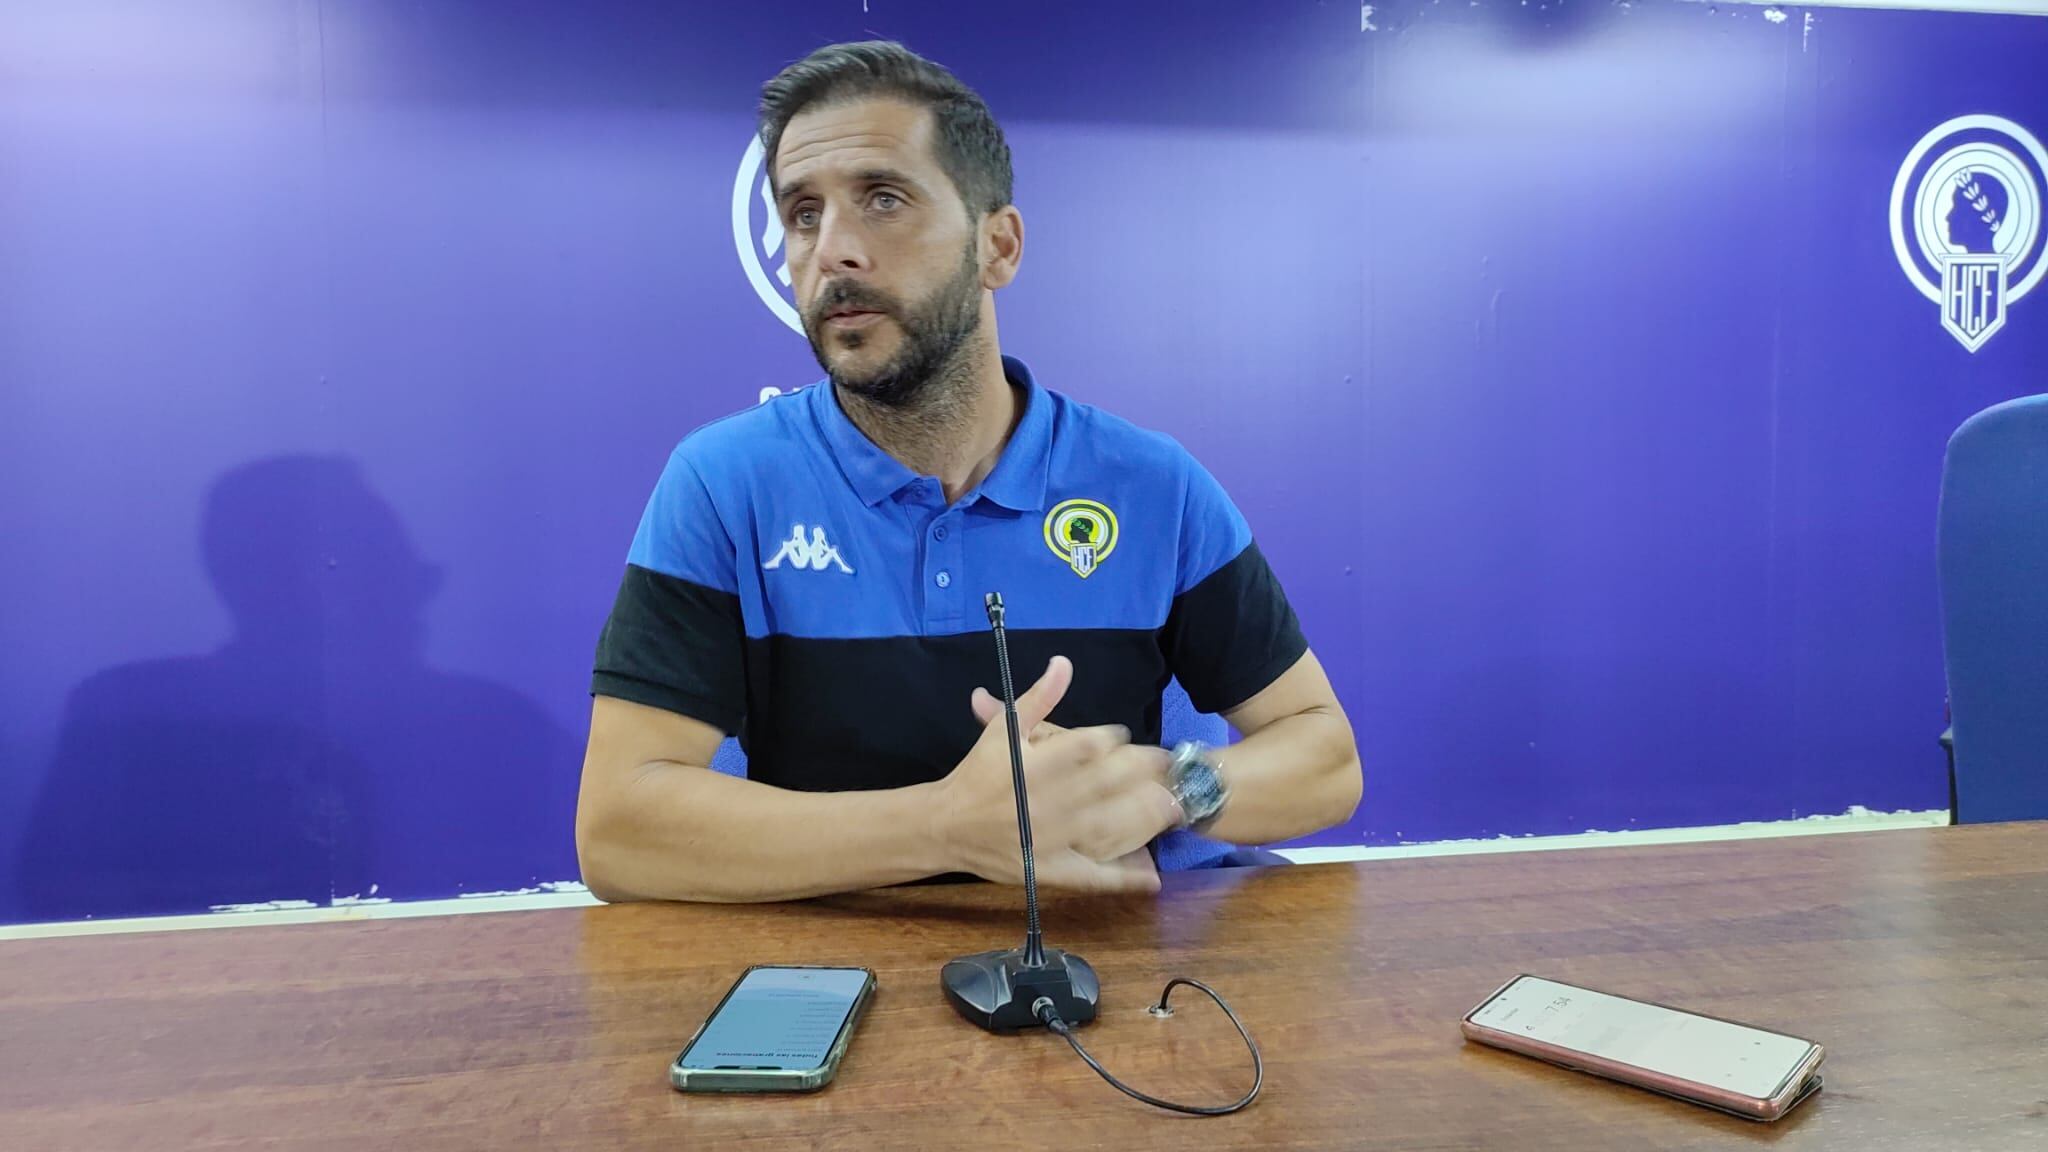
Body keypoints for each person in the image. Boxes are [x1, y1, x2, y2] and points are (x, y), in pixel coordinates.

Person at [576, 40, 1361, 903]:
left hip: (1109, 964)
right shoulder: (723, 483)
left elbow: (1323, 757)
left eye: (882, 199)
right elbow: (619, 830)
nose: (832, 250)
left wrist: (1165, 789)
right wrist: (953, 826)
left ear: (999, 246)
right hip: (830, 971)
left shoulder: (1152, 484)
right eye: (802, 214)